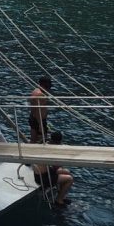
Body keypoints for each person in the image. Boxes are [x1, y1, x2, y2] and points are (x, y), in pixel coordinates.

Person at [29, 76, 73, 206]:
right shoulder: (40, 95)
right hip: (43, 177)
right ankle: (59, 201)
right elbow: (56, 165)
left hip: (35, 120)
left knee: (33, 141)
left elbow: (34, 110)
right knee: (69, 177)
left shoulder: (35, 91)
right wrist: (41, 126)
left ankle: (28, 160)